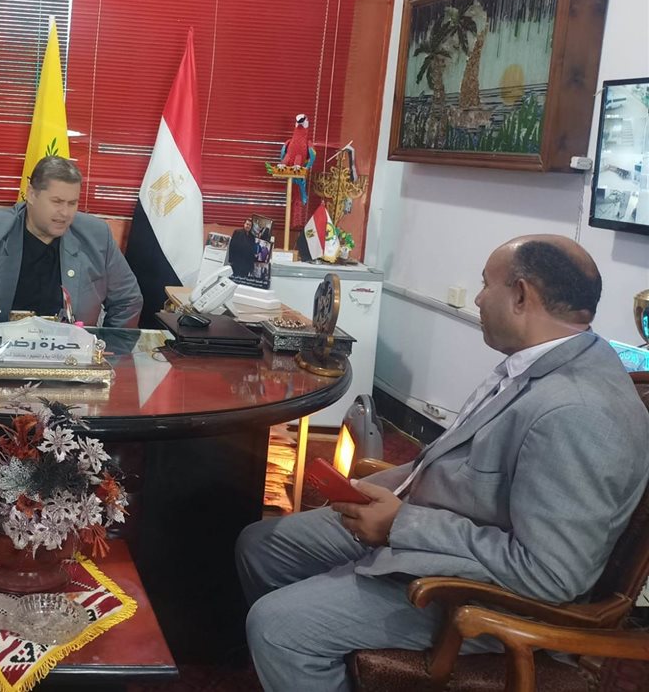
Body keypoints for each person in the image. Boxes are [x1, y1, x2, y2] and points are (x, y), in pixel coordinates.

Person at [234, 234, 649, 692]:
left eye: (485, 284)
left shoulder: (578, 412)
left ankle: (301, 651)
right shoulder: (539, 362)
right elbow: (456, 463)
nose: (477, 298)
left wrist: (399, 526)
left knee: (277, 628)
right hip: (427, 525)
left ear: (520, 295)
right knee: (262, 545)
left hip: (477, 595)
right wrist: (376, 493)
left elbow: (549, 574)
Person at [0, 155, 142, 326]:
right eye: (57, 201)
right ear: (31, 194)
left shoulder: (96, 235)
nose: (65, 213)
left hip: (68, 357)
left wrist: (108, 348)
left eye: (72, 203)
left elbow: (128, 299)